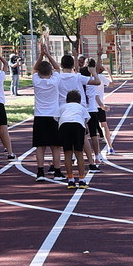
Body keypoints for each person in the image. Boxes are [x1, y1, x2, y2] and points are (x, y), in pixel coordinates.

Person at [57, 60, 90, 188]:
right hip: (77, 126)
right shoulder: (81, 107)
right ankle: (82, 180)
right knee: (79, 153)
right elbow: (86, 120)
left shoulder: (63, 107)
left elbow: (57, 118)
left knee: (67, 154)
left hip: (64, 126)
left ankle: (70, 180)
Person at [29, 56, 64, 178]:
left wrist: (40, 55)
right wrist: (48, 54)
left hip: (40, 116)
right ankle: (58, 171)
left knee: (40, 146)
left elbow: (34, 69)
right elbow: (58, 68)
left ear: (39, 72)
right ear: (51, 72)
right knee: (56, 146)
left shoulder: (36, 81)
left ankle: (40, 172)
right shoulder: (54, 81)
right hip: (53, 116)